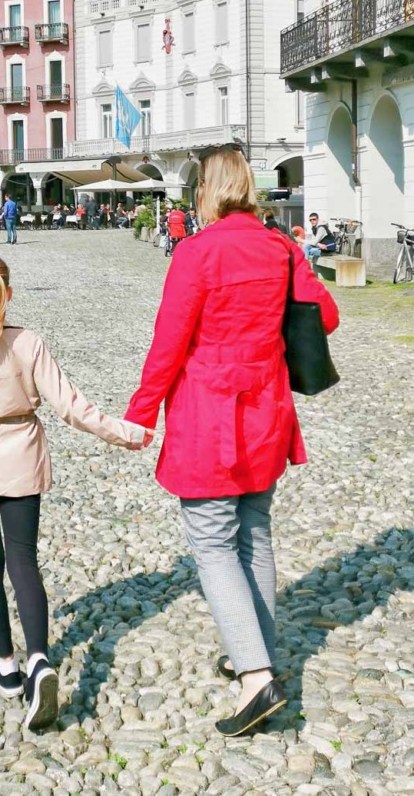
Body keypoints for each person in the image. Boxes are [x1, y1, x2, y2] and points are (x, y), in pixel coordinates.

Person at [124, 147, 339, 737]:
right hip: (266, 409)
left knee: (214, 542)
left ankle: (254, 674)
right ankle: (255, 653)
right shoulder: (282, 247)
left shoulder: (197, 252)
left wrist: (141, 414)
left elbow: (169, 342)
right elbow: (327, 315)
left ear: (206, 189)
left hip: (210, 412)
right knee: (256, 533)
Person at [0, 253, 152, 730]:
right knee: (23, 561)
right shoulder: (28, 343)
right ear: (8, 294)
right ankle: (39, 659)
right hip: (22, 460)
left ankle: (6, 667)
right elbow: (71, 406)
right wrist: (125, 432)